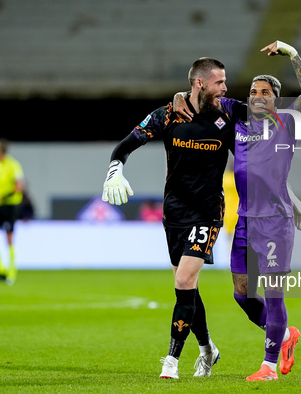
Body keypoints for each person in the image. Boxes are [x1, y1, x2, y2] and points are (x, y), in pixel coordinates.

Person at [173, 40, 301, 381]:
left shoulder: (287, 123)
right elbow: (203, 93)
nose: (257, 95)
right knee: (241, 293)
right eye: (253, 90)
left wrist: (293, 54)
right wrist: (178, 97)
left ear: (275, 98)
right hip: (245, 221)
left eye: (265, 91)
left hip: (274, 221)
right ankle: (284, 335)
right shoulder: (238, 119)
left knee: (272, 292)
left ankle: (268, 367)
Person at [102, 57, 235, 380]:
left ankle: (171, 360)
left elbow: (255, 148)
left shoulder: (229, 116)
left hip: (208, 211)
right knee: (187, 287)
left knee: (183, 281)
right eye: (219, 82)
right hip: (174, 212)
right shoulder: (167, 115)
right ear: (200, 83)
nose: (225, 88)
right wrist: (114, 171)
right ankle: (207, 350)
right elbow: (125, 146)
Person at [0, 139, 25, 285]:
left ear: (0, 150)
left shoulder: (13, 165)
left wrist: (2, 197)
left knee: (8, 239)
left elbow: (19, 187)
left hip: (10, 206)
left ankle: (11, 271)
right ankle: (1, 268)